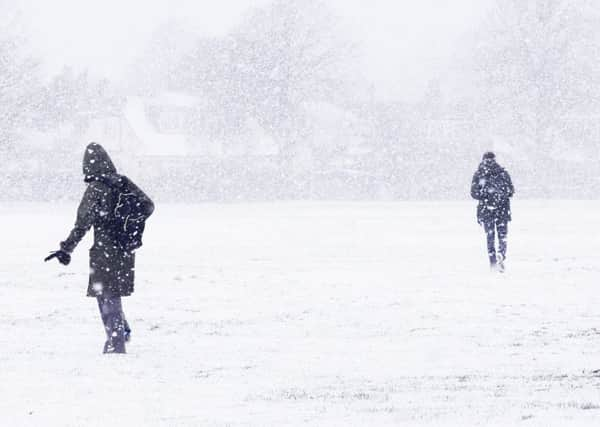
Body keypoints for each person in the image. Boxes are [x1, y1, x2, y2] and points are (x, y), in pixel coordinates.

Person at [45, 143, 154, 353]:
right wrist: (127, 225)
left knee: (106, 294)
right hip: (125, 247)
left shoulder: (96, 188)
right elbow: (148, 206)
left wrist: (67, 248)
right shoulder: (122, 183)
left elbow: (82, 223)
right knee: (110, 292)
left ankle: (117, 343)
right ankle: (122, 332)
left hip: (106, 249)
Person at [470, 152, 514, 272]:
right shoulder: (502, 173)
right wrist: (500, 193)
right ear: (495, 160)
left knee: (490, 237)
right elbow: (511, 191)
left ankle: (493, 262)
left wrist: (485, 194)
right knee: (502, 236)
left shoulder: (479, 174)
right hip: (502, 210)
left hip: (486, 210)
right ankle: (501, 254)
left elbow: (474, 193)